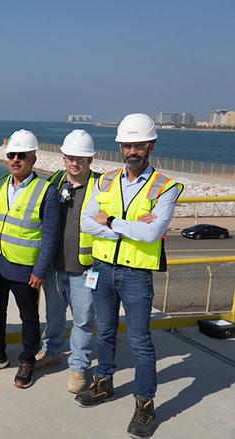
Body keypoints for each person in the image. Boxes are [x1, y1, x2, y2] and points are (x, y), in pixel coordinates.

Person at [76, 113, 182, 439]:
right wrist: (129, 228)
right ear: (121, 147)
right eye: (127, 146)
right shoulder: (105, 180)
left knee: (140, 342)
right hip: (103, 268)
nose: (132, 151)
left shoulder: (165, 186)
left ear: (150, 145)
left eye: (138, 145)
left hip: (137, 274)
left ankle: (145, 403)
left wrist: (110, 222)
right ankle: (104, 382)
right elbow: (85, 222)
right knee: (105, 331)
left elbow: (153, 234)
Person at [0, 129, 60, 390]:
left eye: (21, 156)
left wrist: (40, 270)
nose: (15, 160)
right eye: (11, 155)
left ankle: (27, 360)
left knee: (28, 317)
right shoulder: (0, 184)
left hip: (25, 268)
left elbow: (49, 237)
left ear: (33, 159)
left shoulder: (46, 191)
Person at [33, 130, 99, 394]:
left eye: (80, 159)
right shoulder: (54, 183)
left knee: (83, 319)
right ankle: (51, 351)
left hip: (85, 269)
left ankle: (79, 366)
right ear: (63, 158)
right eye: (70, 158)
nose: (75, 163)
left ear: (90, 160)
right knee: (54, 314)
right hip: (53, 266)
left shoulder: (100, 187)